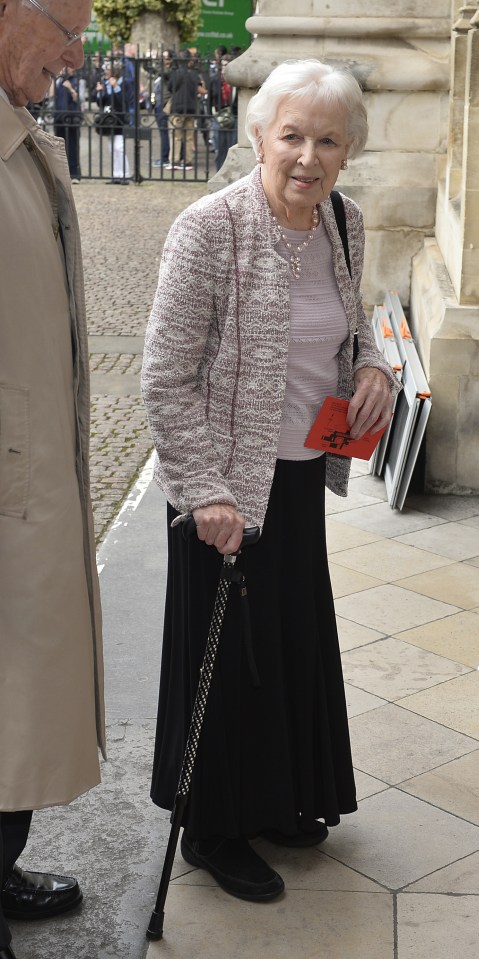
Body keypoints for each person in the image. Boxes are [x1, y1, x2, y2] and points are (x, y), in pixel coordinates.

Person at [142, 58, 399, 903]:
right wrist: (204, 491)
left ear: (348, 151)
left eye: (327, 140)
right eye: (291, 135)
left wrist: (373, 372)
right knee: (228, 656)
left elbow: (351, 328)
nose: (307, 156)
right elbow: (164, 379)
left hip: (295, 476)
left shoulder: (342, 223)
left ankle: (283, 799)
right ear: (258, 136)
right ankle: (214, 826)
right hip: (222, 486)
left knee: (286, 643)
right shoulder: (208, 228)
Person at [0, 1, 105, 957]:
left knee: (21, 705)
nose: (78, 53)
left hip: (32, 476)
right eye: (64, 29)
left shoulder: (21, 131)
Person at [96, 58, 130, 183]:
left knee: (119, 147)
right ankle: (116, 175)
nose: (105, 72)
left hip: (119, 119)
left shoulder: (123, 83)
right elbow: (101, 102)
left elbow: (123, 102)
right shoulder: (105, 83)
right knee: (112, 148)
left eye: (108, 70)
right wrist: (99, 92)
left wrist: (115, 87)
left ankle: (125, 175)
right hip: (108, 119)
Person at [53, 66, 81, 181]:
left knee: (72, 146)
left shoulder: (77, 81)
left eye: (68, 67)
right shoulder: (58, 81)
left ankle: (74, 174)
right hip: (59, 118)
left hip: (72, 118)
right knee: (59, 147)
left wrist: (71, 89)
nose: (66, 69)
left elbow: (80, 99)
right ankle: (62, 175)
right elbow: (51, 97)